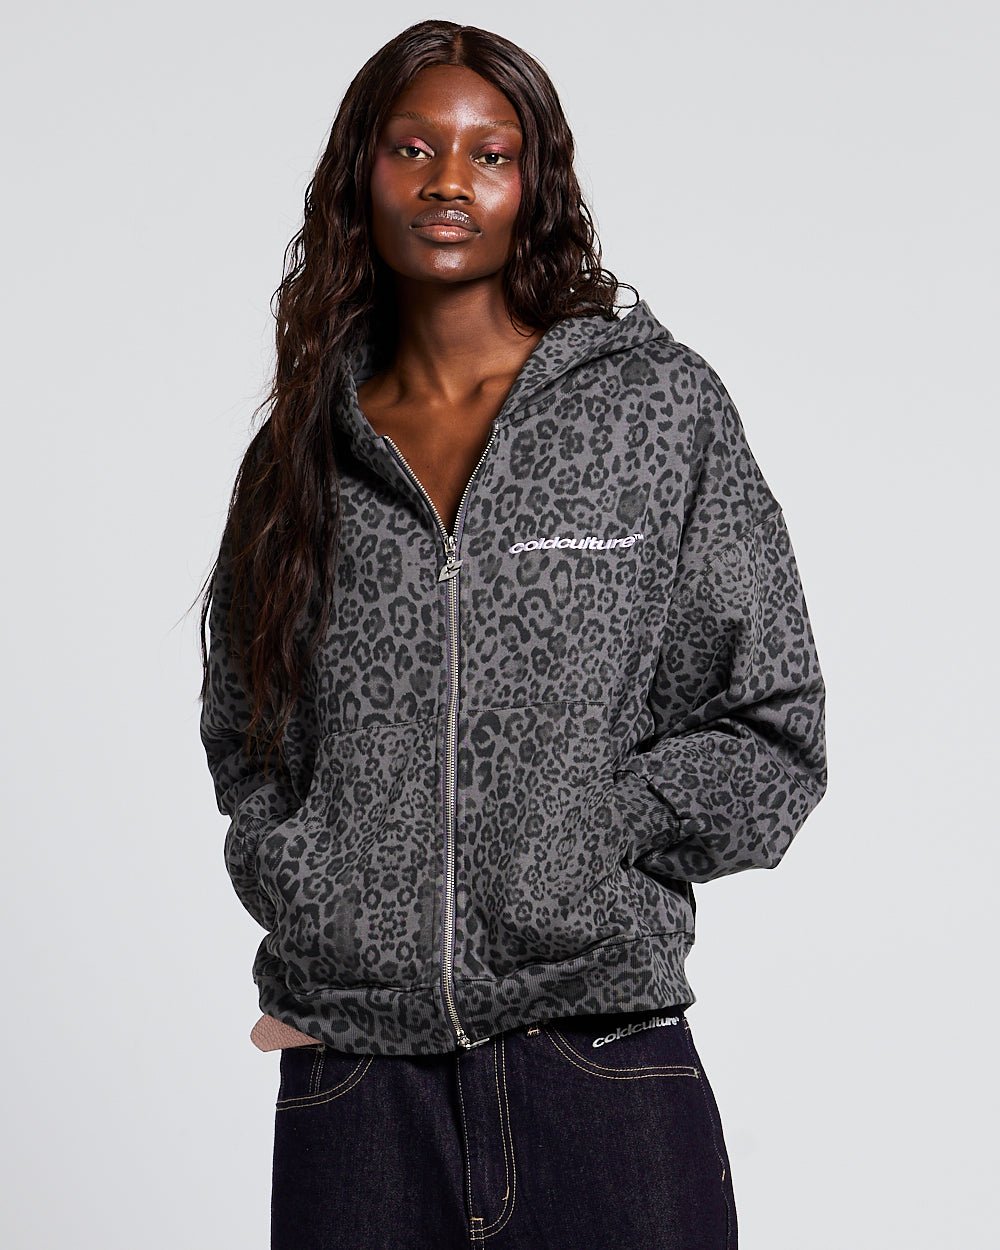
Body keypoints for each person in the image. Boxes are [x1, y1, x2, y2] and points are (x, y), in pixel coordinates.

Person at [197, 19, 828, 1250]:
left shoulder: (651, 410)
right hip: (356, 1085)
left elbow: (772, 725)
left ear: (534, 184)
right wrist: (317, 887)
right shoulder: (301, 452)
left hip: (601, 1065)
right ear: (359, 174)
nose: (449, 181)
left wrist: (583, 835)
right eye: (412, 148)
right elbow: (248, 732)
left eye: (490, 153)